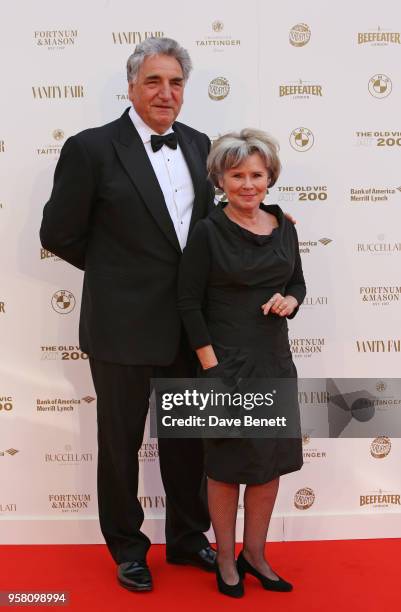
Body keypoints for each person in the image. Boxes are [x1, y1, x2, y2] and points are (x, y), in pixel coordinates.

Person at [40, 37, 217, 592]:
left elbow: (205, 230)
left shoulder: (199, 144)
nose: (166, 93)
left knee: (188, 441)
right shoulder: (91, 148)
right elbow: (58, 232)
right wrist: (119, 273)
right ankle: (128, 547)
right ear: (132, 86)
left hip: (191, 325)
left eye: (176, 83)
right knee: (119, 445)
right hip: (121, 324)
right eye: (154, 82)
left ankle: (189, 539)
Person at [178, 129, 306, 598]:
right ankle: (226, 559)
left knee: (267, 465)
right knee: (227, 466)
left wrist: (290, 302)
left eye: (256, 174)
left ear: (269, 177)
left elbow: (298, 284)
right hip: (224, 366)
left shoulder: (285, 226)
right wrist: (210, 366)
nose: (248, 184)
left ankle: (256, 554)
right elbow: (188, 303)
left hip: (274, 362)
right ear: (221, 180)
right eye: (237, 175)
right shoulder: (209, 232)